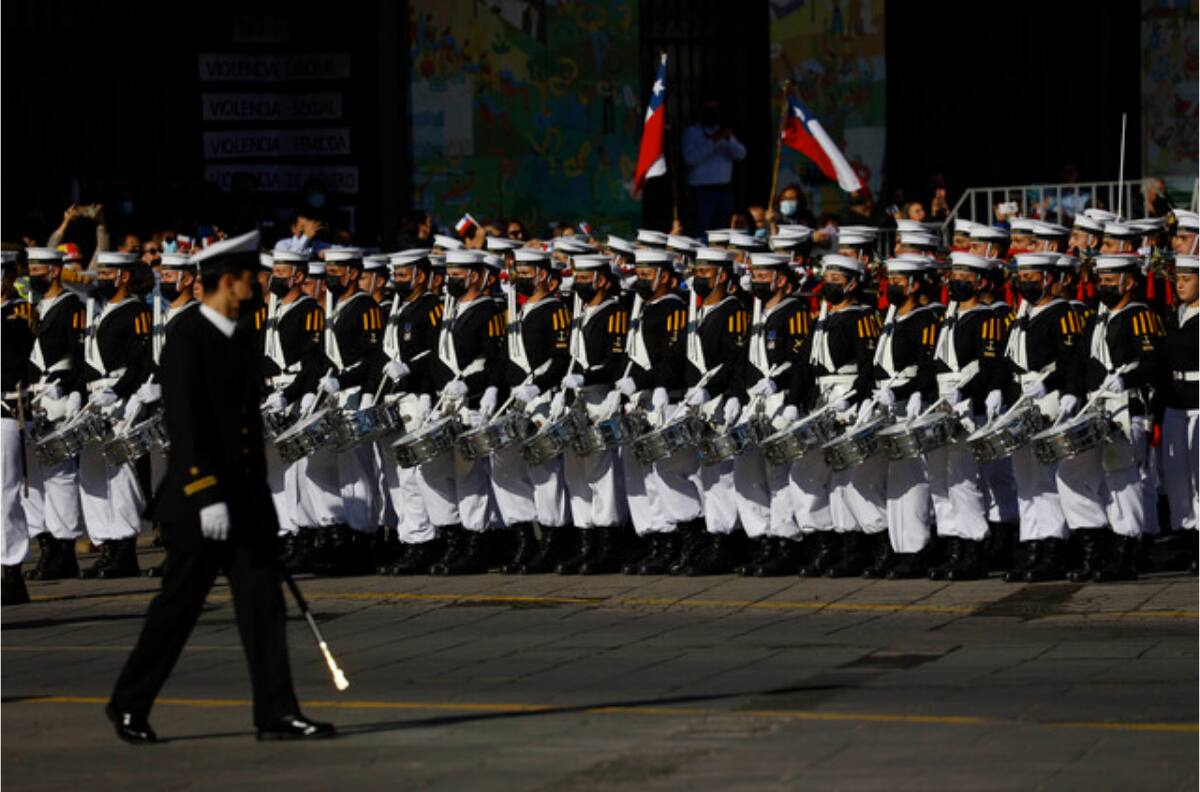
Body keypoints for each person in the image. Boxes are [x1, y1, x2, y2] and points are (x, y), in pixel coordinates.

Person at [106, 231, 335, 744]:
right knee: (178, 608)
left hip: (245, 502)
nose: (258, 288)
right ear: (228, 281)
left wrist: (259, 503)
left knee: (264, 605)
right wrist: (207, 493)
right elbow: (187, 425)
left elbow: (244, 428)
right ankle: (129, 702)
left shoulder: (239, 333)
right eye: (251, 280)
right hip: (199, 504)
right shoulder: (188, 337)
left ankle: (276, 712)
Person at [1057, 254, 1164, 582]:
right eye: (1100, 280)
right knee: (1070, 473)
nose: (1102, 286)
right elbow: (1079, 361)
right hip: (1094, 407)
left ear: (1128, 282)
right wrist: (1071, 392)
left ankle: (1124, 552)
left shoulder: (1140, 315)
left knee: (1122, 479)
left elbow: (1154, 361)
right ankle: (1094, 545)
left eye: (1109, 280)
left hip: (1126, 408)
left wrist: (1127, 379)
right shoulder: (1095, 317)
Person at [999, 253, 1085, 582]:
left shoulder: (1062, 313)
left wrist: (1061, 389)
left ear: (1048, 279)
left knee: (1046, 478)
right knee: (1025, 479)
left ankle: (1053, 547)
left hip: (1047, 398)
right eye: (1021, 277)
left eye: (1031, 277)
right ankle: (1032, 545)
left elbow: (1071, 358)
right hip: (1022, 399)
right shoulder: (1023, 314)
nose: (1024, 283)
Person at [794, 254, 880, 577]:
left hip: (848, 399)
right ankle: (826, 541)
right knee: (812, 473)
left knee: (847, 477)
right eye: (826, 279)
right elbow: (805, 365)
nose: (828, 285)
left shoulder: (863, 317)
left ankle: (856, 546)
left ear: (853, 284)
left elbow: (869, 365)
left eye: (835, 280)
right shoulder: (823, 318)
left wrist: (857, 400)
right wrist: (795, 401)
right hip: (822, 401)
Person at [927, 252, 1008, 580]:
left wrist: (968, 393)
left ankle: (974, 545)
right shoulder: (947, 316)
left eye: (964, 277)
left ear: (981, 282)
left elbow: (990, 365)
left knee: (962, 479)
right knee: (939, 479)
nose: (956, 282)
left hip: (968, 405)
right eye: (954, 276)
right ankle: (953, 545)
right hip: (941, 401)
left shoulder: (987, 318)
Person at [730, 251, 811, 576]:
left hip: (780, 399)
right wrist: (735, 396)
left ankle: (785, 540)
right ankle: (761, 536)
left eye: (764, 276)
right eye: (756, 275)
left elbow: (801, 360)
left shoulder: (795, 312)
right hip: (754, 401)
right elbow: (742, 362)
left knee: (779, 474)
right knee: (746, 470)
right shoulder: (757, 312)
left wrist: (791, 395)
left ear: (781, 279)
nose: (757, 281)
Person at [79, 251, 156, 578]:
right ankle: (107, 543)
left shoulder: (136, 311)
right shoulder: (98, 309)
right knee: (91, 473)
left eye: (107, 273)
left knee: (120, 475)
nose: (101, 278)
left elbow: (142, 359)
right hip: (95, 397)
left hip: (120, 399)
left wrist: (123, 392)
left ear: (123, 276)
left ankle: (125, 549)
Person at [615, 248, 690, 574]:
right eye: (639, 274)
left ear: (667, 278)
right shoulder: (640, 307)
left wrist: (647, 381)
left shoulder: (674, 308)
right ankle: (652, 540)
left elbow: (672, 357)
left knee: (664, 474)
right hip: (638, 400)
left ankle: (673, 541)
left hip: (662, 397)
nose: (640, 280)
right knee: (639, 476)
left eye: (647, 275)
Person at [558, 253, 630, 574]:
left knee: (601, 474)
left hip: (599, 398)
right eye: (578, 277)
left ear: (601, 280)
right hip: (574, 400)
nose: (580, 284)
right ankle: (585, 541)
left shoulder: (614, 312)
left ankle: (608, 543)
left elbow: (615, 361)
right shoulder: (579, 312)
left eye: (586, 278)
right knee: (576, 473)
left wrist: (586, 377)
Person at [375, 249, 444, 575]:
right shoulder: (395, 307)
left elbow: (436, 353)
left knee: (414, 475)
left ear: (420, 276)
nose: (397, 281)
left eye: (403, 275)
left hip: (416, 396)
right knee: (395, 477)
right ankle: (409, 537)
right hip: (393, 398)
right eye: (396, 275)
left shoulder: (432, 307)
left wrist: (421, 383)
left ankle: (423, 540)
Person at [21, 247, 87, 580]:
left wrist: (76, 389)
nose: (32, 274)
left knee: (59, 475)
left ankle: (64, 549)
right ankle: (45, 545)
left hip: (58, 394)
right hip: (29, 396)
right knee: (30, 477)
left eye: (38, 269)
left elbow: (80, 352)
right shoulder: (28, 307)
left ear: (55, 270)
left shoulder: (72, 305)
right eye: (30, 269)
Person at [1160, 255, 1198, 572]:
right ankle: (1187, 539)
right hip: (1175, 403)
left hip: (1198, 402)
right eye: (1178, 279)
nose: (1180, 285)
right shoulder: (1174, 316)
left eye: (1187, 279)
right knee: (1177, 477)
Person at [2, 252, 36, 603]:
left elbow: (18, 353)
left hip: (6, 408)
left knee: (5, 492)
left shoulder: (20, 311)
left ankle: (12, 571)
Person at [682, 99, 747, 235]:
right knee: (703, 231)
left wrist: (729, 140)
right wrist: (713, 141)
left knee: (723, 231)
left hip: (723, 189)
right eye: (708, 110)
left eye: (715, 110)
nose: (712, 114)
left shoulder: (725, 132)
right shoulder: (692, 132)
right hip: (702, 191)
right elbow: (690, 159)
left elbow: (741, 154)